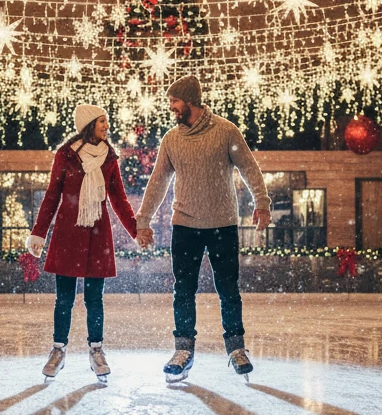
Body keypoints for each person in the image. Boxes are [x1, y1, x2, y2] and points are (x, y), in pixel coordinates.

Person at [136, 75, 269, 382]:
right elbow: (158, 182)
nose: (171, 107)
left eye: (174, 101)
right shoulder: (172, 139)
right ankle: (183, 350)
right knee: (183, 291)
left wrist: (261, 201)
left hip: (222, 224)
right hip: (185, 225)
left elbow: (249, 167)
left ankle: (236, 349)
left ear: (190, 101)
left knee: (228, 290)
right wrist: (143, 219)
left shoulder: (225, 131)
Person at [27, 104, 138, 384]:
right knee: (64, 298)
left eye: (107, 121)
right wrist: (39, 232)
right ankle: (58, 350)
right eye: (102, 121)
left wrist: (137, 231)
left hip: (98, 234)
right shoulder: (65, 156)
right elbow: (52, 195)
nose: (107, 126)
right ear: (89, 124)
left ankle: (96, 350)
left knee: (94, 299)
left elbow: (119, 199)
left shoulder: (109, 157)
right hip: (68, 232)